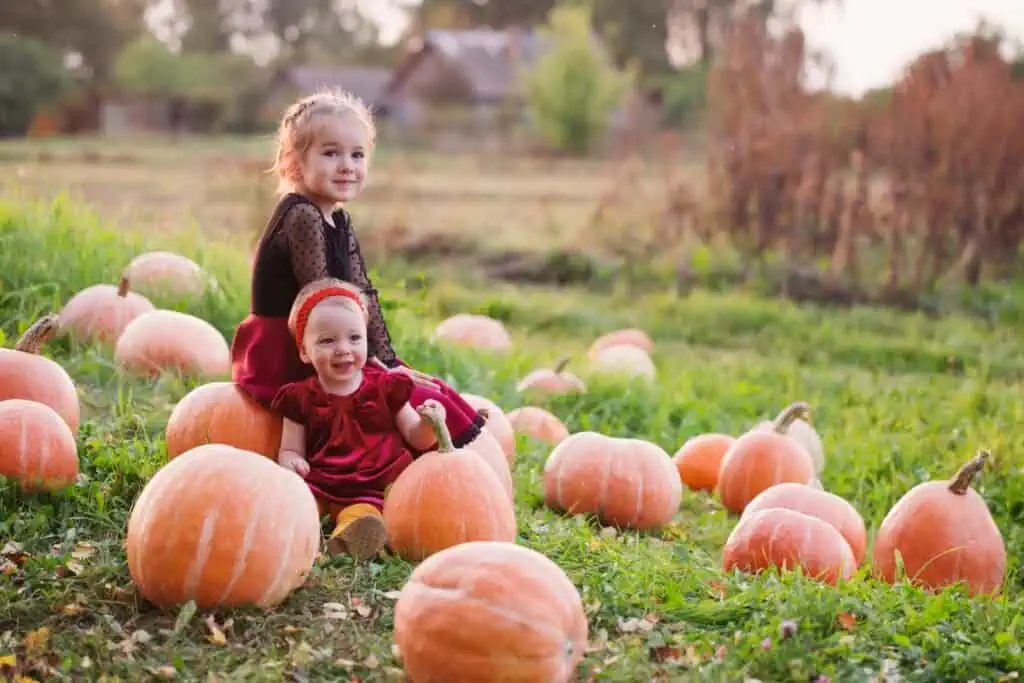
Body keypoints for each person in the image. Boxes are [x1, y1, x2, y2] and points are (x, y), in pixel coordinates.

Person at [230, 87, 488, 450]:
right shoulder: (301, 215)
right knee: (383, 401)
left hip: (333, 336)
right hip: (294, 350)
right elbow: (323, 302)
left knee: (409, 385)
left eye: (357, 154)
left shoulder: (338, 219)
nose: (347, 165)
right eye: (331, 153)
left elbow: (361, 292)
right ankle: (388, 474)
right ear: (294, 163)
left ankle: (439, 452)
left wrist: (386, 358)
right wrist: (370, 364)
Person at [272, 277, 442, 560]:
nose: (343, 348)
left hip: (372, 484)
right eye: (327, 340)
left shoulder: (386, 387)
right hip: (321, 481)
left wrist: (429, 424)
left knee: (364, 513)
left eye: (354, 338)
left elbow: (416, 436)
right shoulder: (299, 397)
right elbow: (290, 448)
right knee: (296, 504)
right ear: (304, 351)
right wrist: (291, 461)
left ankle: (351, 539)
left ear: (366, 340)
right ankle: (291, 534)